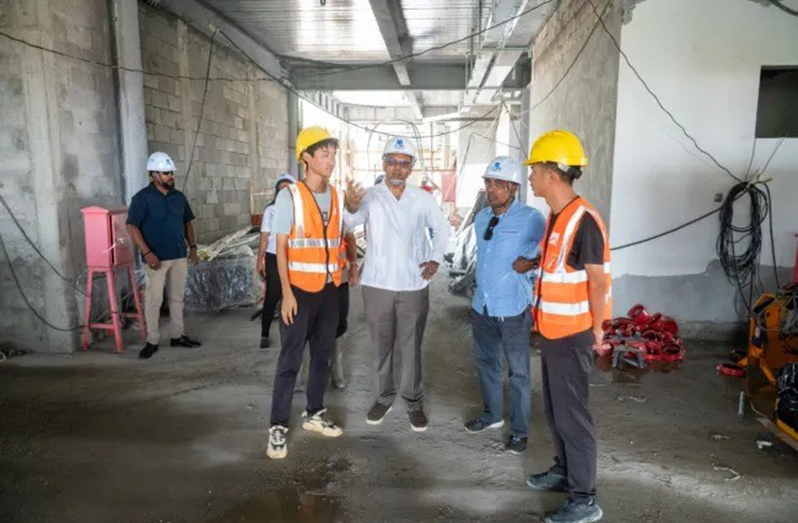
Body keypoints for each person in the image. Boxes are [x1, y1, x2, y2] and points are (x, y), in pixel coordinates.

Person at [524, 130, 611, 523]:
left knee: (573, 415)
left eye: (535, 169)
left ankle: (585, 498)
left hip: (573, 335)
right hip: (553, 331)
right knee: (556, 410)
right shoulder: (557, 215)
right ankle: (565, 470)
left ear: (552, 174)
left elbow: (598, 281)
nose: (531, 176)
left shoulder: (584, 220)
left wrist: (598, 331)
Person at [344, 136, 450, 432]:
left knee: (411, 345)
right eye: (392, 161)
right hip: (377, 284)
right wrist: (350, 207)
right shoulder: (370, 196)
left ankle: (414, 402)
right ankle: (383, 397)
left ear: (411, 167)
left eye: (405, 163)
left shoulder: (422, 198)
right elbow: (348, 225)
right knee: (381, 345)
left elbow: (441, 228)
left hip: (413, 284)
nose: (398, 168)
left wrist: (436, 259)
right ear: (383, 164)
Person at [266, 127, 349, 460]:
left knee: (323, 357)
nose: (330, 161)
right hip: (299, 292)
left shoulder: (338, 195)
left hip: (330, 291)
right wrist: (285, 293)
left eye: (333, 154)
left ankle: (314, 413)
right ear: (306, 158)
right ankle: (278, 426)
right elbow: (281, 250)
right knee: (290, 359)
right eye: (324, 154)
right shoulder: (290, 197)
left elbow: (339, 239)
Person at [465, 157, 545, 454]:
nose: (492, 189)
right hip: (483, 306)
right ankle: (492, 415)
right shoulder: (482, 218)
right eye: (488, 183)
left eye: (499, 184)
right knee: (487, 363)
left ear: (513, 188)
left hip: (512, 308)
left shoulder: (531, 219)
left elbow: (549, 253)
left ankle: (520, 432)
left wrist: (533, 262)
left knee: (519, 373)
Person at [126, 152, 201, 360]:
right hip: (156, 258)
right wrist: (147, 252)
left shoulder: (179, 197)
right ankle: (152, 340)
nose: (170, 176)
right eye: (166, 173)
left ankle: (178, 335)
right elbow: (132, 226)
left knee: (177, 298)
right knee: (154, 301)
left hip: (178, 256)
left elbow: (188, 223)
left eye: (171, 173)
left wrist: (192, 248)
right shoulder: (142, 198)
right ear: (154, 174)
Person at [257, 174, 297, 349]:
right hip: (274, 256)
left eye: (288, 188)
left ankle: (292, 334)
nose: (284, 191)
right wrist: (261, 259)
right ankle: (264, 334)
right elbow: (264, 236)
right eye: (281, 188)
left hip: (294, 256)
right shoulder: (270, 210)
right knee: (273, 294)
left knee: (294, 295)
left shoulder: (299, 209)